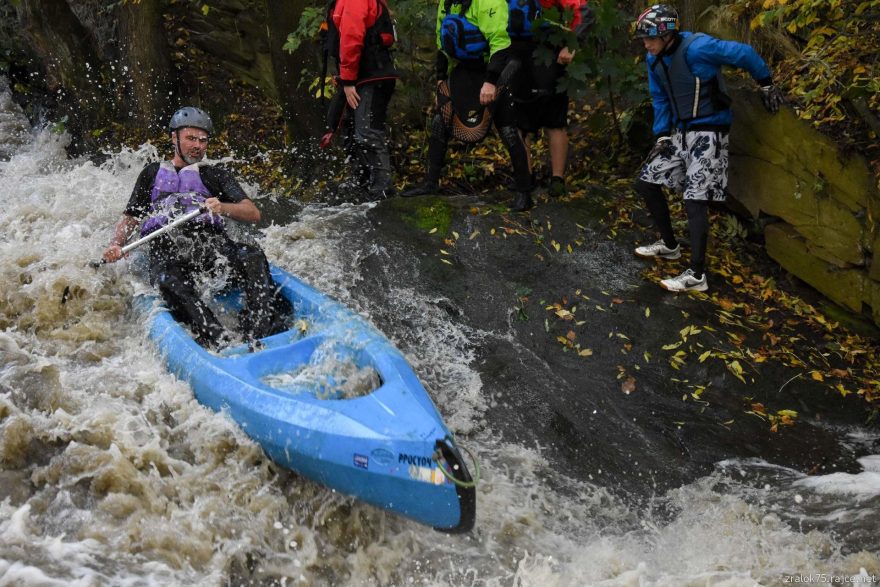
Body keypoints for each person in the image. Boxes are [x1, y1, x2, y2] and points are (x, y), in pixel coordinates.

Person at [102, 106, 292, 348]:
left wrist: (222, 207)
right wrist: (117, 245)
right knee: (169, 279)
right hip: (168, 251)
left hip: (210, 249)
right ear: (174, 138)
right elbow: (131, 217)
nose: (198, 145)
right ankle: (217, 340)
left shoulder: (214, 175)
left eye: (203, 140)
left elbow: (252, 213)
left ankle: (257, 332)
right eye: (191, 138)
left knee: (252, 256)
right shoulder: (151, 174)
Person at [632, 4, 783, 292]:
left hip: (710, 129)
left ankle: (697, 275)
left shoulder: (698, 47)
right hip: (680, 132)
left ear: (666, 35)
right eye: (644, 39)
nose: (646, 44)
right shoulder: (654, 59)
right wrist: (662, 135)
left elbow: (744, 54)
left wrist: (766, 83)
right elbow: (660, 99)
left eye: (650, 38)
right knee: (646, 183)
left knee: (695, 199)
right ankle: (669, 244)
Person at [401, 0, 535, 212]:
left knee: (507, 128)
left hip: (495, 67)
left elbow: (500, 43)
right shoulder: (446, 3)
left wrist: (491, 82)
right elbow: (441, 44)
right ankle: (430, 183)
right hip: (466, 69)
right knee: (440, 120)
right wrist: (440, 81)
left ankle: (524, 191)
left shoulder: (488, 2)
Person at [509, 0, 594, 198]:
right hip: (516, 52)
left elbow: (584, 13)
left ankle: (557, 179)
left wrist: (573, 44)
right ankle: (526, 177)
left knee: (554, 120)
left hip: (549, 50)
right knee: (520, 121)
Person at [322, 0, 398, 200]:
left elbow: (351, 39)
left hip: (373, 77)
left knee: (366, 133)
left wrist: (347, 81)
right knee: (349, 129)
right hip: (363, 77)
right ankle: (362, 184)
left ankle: (382, 190)